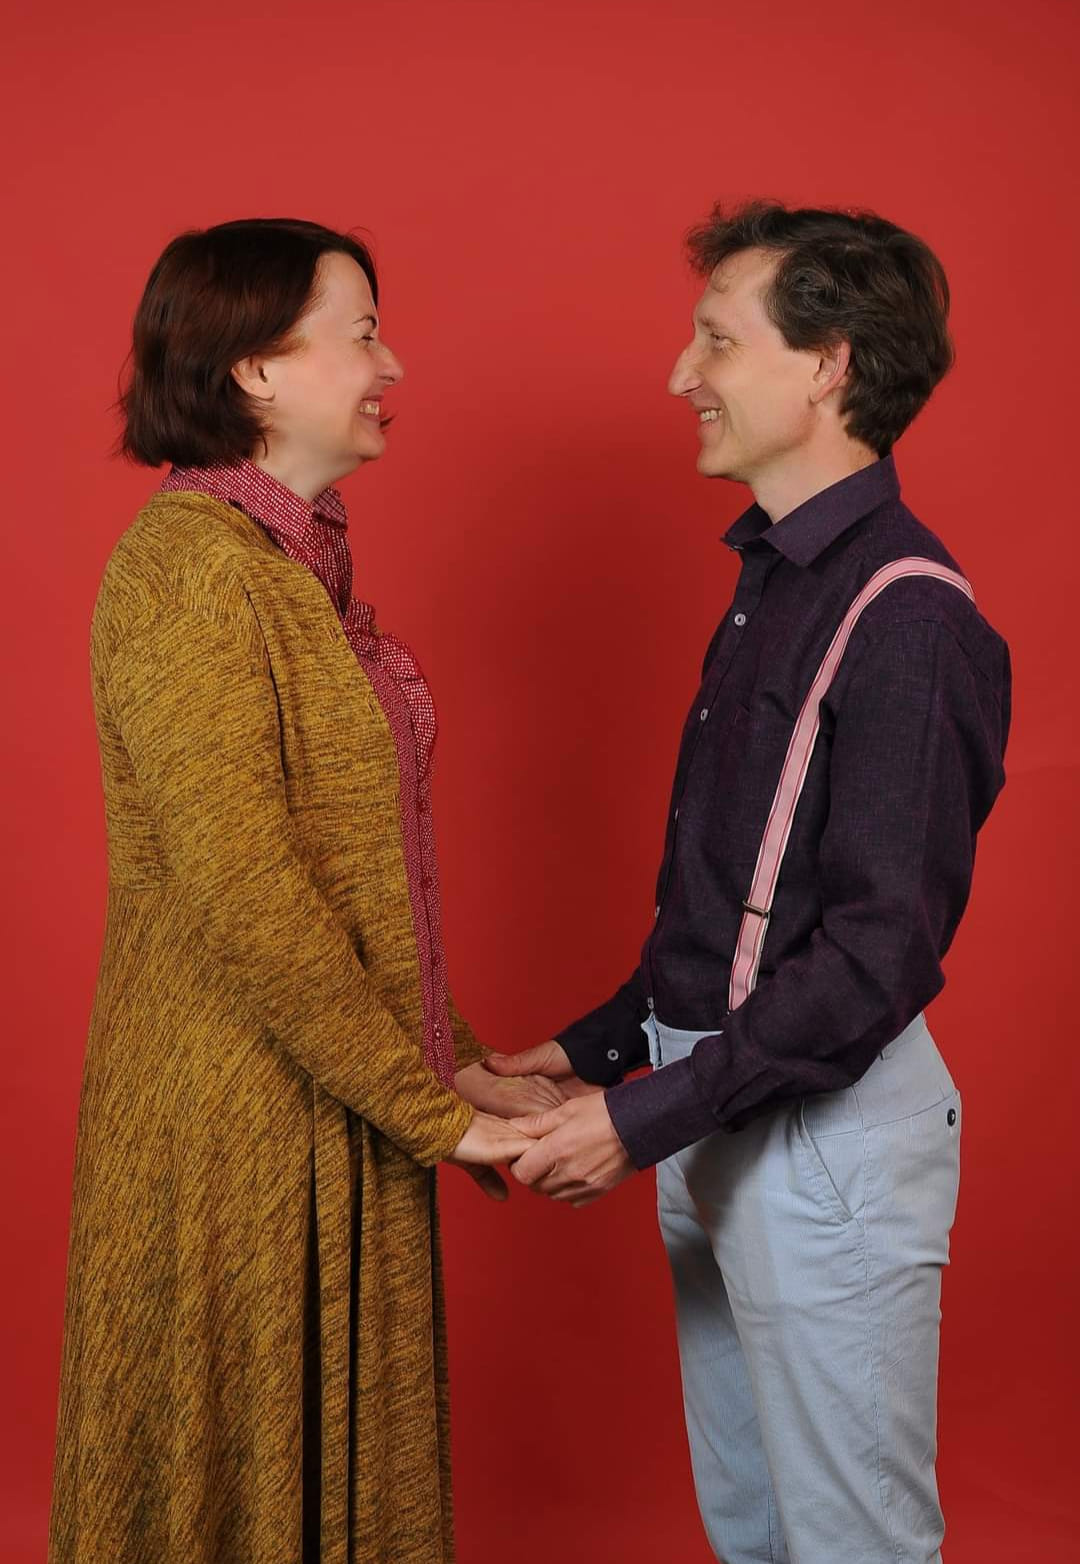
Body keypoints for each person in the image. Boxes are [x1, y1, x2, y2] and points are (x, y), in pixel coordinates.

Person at [486, 201, 1011, 1563]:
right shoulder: (773, 578)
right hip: (719, 1103)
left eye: (717, 339)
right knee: (760, 1535)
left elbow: (874, 960)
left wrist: (642, 1117)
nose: (681, 374)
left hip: (820, 1138)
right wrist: (594, 1054)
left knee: (851, 1546)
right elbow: (737, 902)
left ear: (828, 363)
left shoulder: (910, 616)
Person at [47, 217, 555, 1564]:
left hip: (326, 1089)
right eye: (365, 332)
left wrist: (454, 1058)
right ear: (257, 369)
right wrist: (432, 1112)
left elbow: (357, 878)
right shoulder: (188, 571)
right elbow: (250, 895)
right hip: (232, 1123)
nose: (395, 363)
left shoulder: (289, 570)